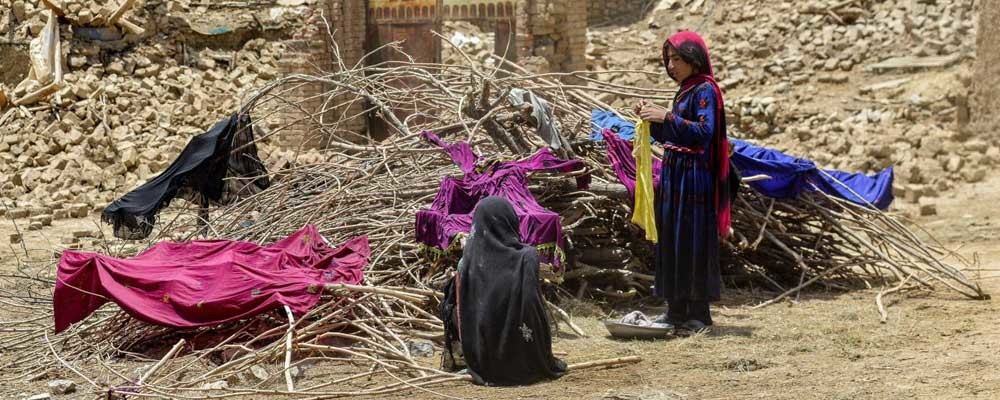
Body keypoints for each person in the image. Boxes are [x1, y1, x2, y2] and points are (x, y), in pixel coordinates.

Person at [633, 31, 731, 335]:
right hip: (676, 177)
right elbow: (676, 137)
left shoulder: (705, 90)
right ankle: (674, 312)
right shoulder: (685, 91)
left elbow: (703, 133)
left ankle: (699, 315)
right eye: (668, 60)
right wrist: (652, 120)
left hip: (694, 180)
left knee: (693, 242)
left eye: (676, 58)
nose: (670, 65)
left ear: (693, 58)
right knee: (674, 242)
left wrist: (667, 117)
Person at [439, 196, 567, 386]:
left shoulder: (466, 263)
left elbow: (461, 313)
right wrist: (542, 352)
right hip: (525, 361)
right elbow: (533, 308)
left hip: (482, 362)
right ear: (510, 221)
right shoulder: (526, 257)